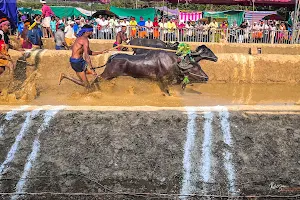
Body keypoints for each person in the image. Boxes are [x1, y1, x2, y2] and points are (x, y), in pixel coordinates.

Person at [59, 24, 107, 91]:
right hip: (77, 62)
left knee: (85, 81)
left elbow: (89, 52)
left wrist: (101, 52)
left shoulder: (81, 38)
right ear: (87, 31)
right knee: (87, 85)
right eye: (91, 31)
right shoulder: (84, 40)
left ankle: (92, 75)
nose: (92, 32)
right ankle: (65, 76)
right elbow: (86, 55)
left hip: (78, 61)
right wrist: (92, 69)